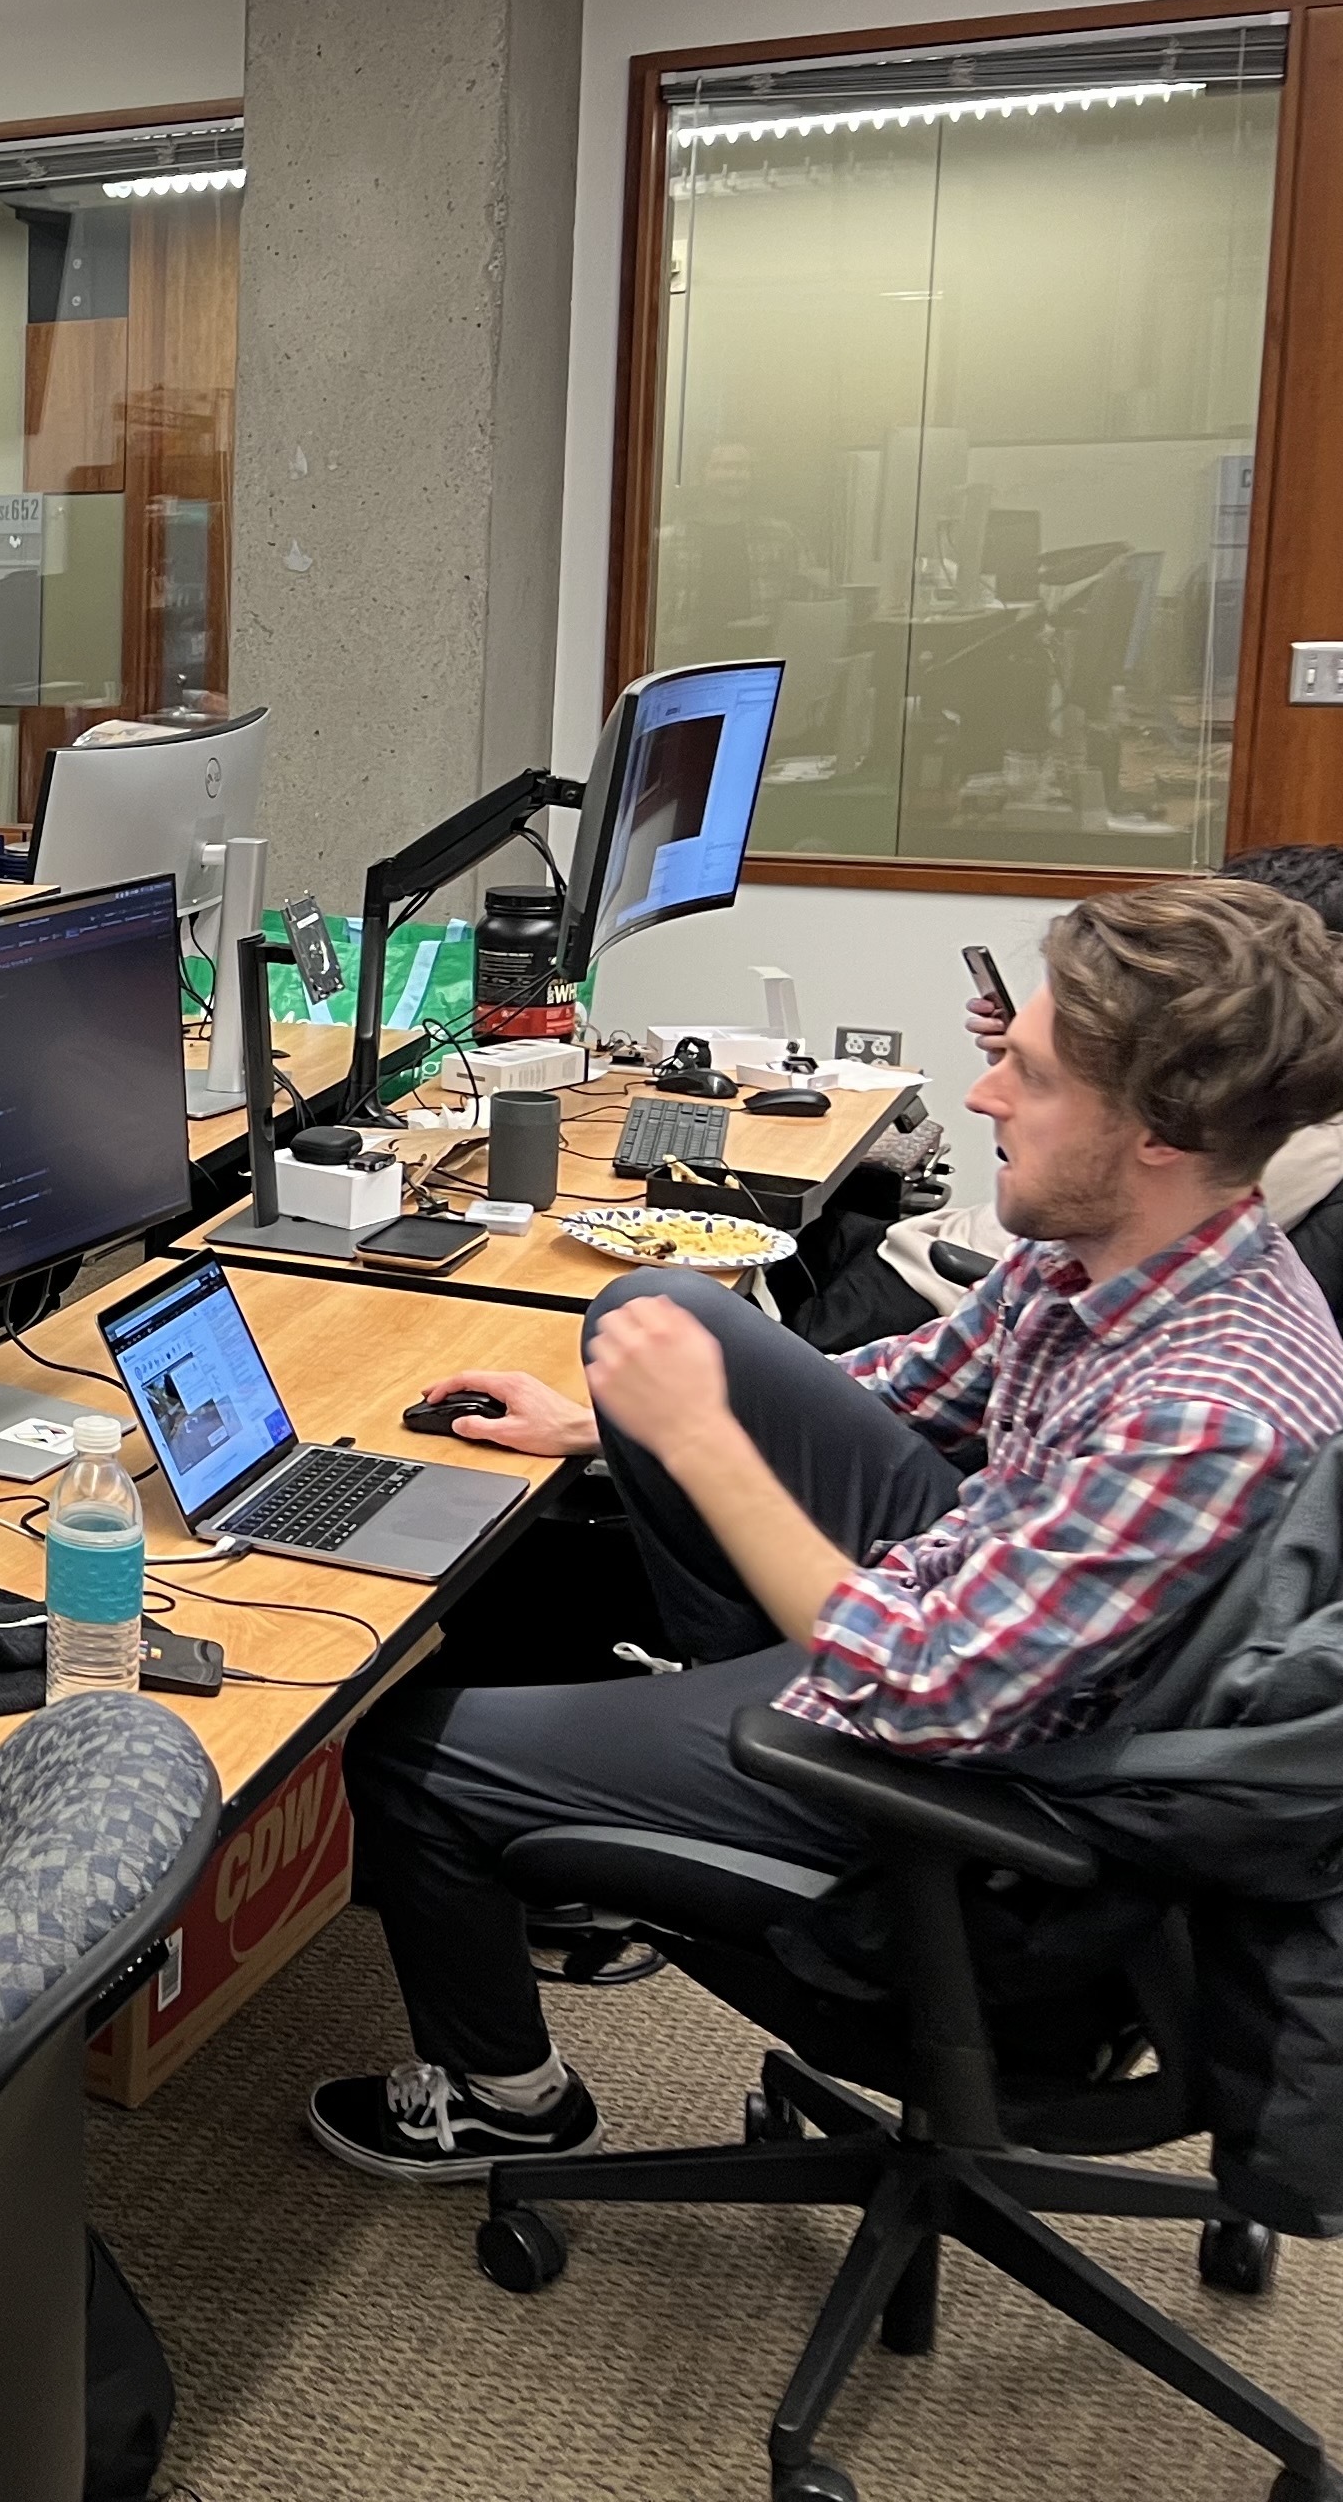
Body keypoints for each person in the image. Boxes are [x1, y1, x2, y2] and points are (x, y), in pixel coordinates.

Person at [306, 878, 1343, 2182]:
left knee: (414, 1752)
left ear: (1162, 1132)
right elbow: (914, 1389)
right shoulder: (1130, 1246)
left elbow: (911, 1686)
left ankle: (507, 2097)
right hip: (973, 1595)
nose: (983, 1098)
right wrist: (601, 1419)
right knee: (669, 1316)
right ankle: (692, 1731)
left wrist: (697, 1440)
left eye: (1027, 1075)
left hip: (975, 1774)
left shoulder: (1208, 1411)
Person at [797, 844, 1343, 1350]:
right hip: (956, 1255)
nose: (978, 1100)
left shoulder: (1198, 1409)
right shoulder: (1069, 1259)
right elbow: (897, 1392)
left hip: (946, 1273)